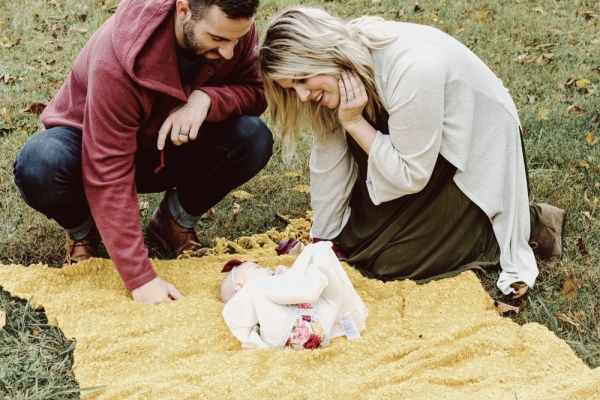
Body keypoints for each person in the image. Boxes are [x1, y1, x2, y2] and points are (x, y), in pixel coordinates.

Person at [257, 7, 566, 297]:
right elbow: (329, 160)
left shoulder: (412, 66)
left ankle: (526, 225)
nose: (301, 94)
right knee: (354, 245)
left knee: (393, 263)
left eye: (301, 79)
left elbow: (411, 175)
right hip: (413, 151)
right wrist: (322, 242)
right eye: (290, 88)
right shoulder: (339, 74)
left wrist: (353, 122)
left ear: (321, 52)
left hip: (468, 155)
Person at [12, 0, 273, 304]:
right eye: (217, 40)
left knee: (253, 136)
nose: (229, 51)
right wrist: (140, 278)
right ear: (184, 10)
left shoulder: (232, 26)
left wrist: (207, 99)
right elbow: (107, 167)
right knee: (40, 162)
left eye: (237, 40)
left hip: (164, 147)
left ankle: (173, 223)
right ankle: (84, 230)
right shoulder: (117, 57)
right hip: (88, 150)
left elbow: (256, 92)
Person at [220, 241, 368, 349]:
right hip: (317, 328)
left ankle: (318, 274)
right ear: (240, 286)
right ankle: (319, 272)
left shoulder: (261, 302)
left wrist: (289, 275)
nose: (267, 267)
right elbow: (305, 294)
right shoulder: (256, 287)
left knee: (327, 299)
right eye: (257, 267)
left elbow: (291, 297)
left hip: (283, 338)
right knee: (319, 261)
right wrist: (294, 274)